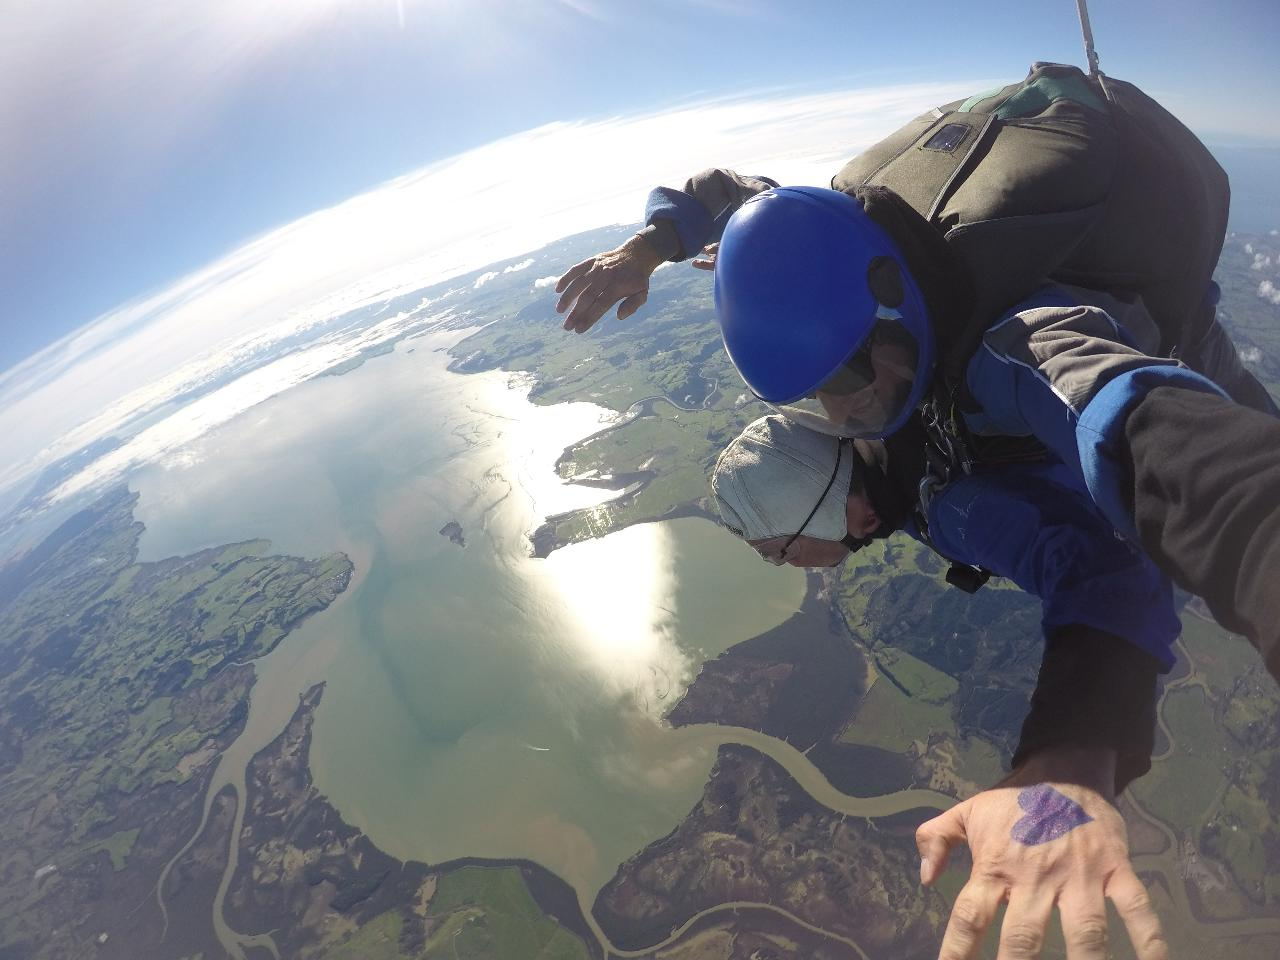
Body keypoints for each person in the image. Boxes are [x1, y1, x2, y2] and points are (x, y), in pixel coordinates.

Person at [554, 61, 1280, 680]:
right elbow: (731, 197)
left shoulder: (990, 395)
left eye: (781, 550)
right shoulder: (830, 245)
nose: (840, 415)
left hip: (1158, 311)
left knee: (1227, 395)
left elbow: (1118, 414)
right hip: (1037, 241)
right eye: (819, 405)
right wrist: (646, 250)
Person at [712, 413, 1177, 959]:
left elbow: (1110, 572)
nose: (787, 564)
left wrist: (1068, 767)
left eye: (782, 550)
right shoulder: (895, 426)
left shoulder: (954, 508)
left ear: (854, 515)